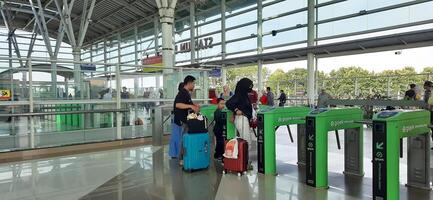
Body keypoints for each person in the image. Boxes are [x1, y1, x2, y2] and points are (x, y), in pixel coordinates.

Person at [226, 78, 255, 170]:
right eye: (249, 86)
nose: (251, 87)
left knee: (245, 141)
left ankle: (244, 161)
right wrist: (236, 110)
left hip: (244, 119)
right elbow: (228, 103)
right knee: (247, 141)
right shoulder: (239, 95)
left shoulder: (244, 95)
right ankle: (244, 163)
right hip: (241, 119)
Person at [171, 76, 200, 166]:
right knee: (184, 140)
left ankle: (185, 158)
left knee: (185, 139)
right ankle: (182, 159)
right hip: (182, 121)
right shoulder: (183, 93)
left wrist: (194, 105)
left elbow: (187, 103)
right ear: (189, 83)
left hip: (186, 120)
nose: (194, 85)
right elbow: (178, 105)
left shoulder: (186, 93)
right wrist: (191, 106)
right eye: (193, 83)